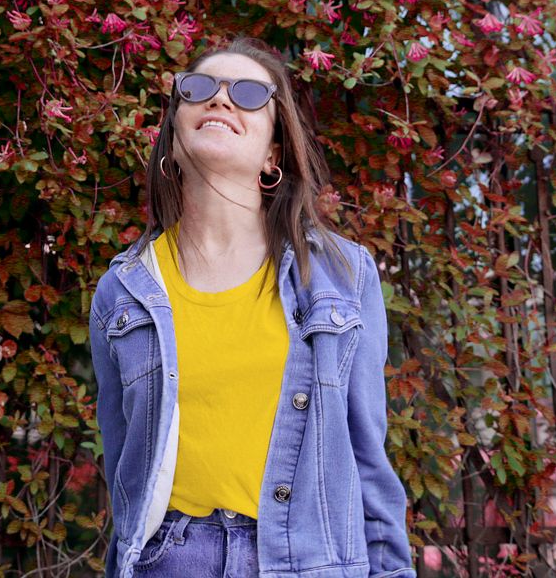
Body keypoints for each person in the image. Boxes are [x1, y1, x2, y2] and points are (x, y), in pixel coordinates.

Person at [87, 36, 416, 578]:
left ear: (273, 153)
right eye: (197, 89)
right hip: (169, 561)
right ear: (172, 134)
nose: (219, 100)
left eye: (246, 93)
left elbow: (366, 456)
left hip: (310, 562)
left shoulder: (341, 275)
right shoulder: (123, 291)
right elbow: (126, 467)